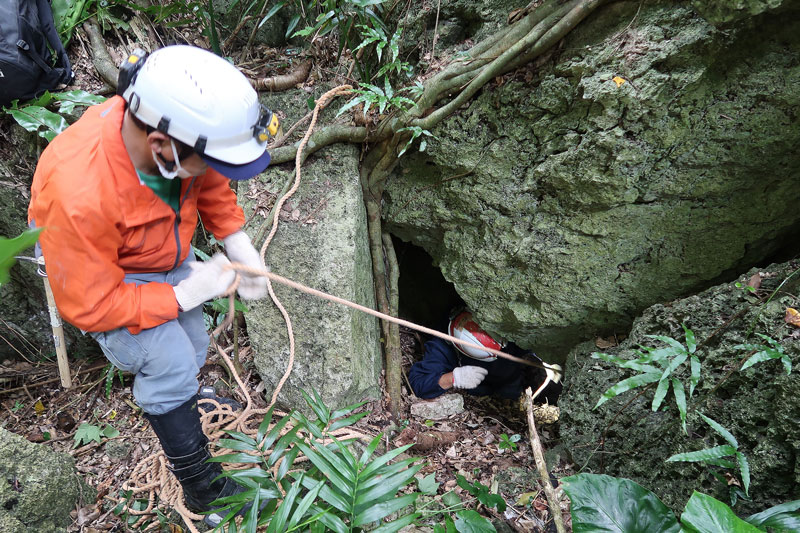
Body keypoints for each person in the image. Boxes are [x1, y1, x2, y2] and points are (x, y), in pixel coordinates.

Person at [27, 45, 278, 526]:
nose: (210, 168)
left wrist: (236, 239)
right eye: (206, 159)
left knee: (195, 340)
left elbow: (207, 179)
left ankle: (187, 397)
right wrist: (187, 292)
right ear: (162, 145)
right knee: (168, 359)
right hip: (103, 281)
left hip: (162, 252)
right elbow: (91, 304)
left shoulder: (173, 143)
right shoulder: (78, 192)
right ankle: (203, 490)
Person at [408, 309, 562, 402]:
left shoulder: (494, 318)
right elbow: (419, 383)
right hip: (482, 386)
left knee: (512, 392)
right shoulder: (443, 346)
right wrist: (454, 377)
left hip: (513, 376)